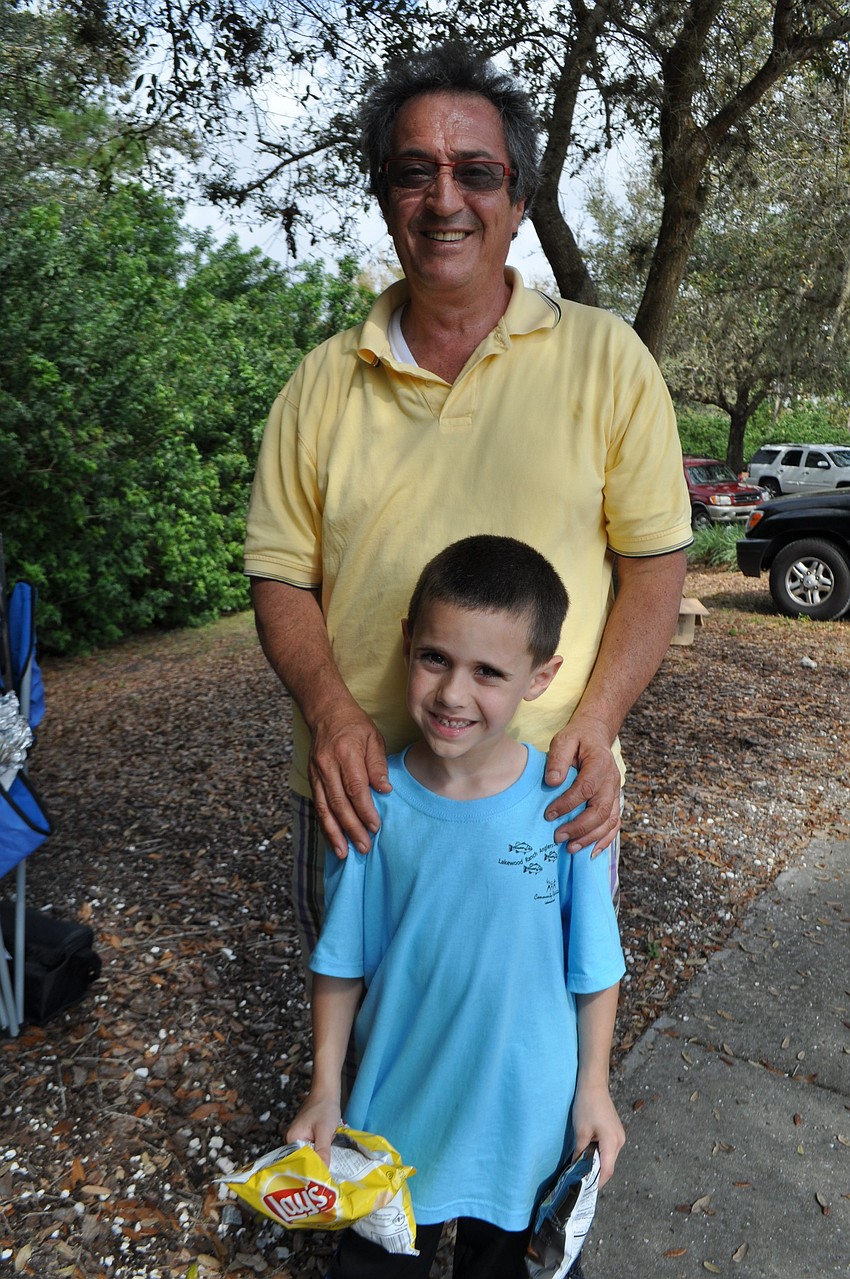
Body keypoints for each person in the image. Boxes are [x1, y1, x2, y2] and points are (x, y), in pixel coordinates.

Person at [244, 42, 692, 960]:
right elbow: (280, 575)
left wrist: (597, 724)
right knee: (367, 1048)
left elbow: (654, 566)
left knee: (541, 1056)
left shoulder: (609, 362)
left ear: (519, 199)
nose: (445, 200)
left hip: (548, 798)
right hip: (361, 798)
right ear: (384, 196)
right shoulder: (319, 383)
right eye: (415, 173)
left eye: (476, 173)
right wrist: (331, 715)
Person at [287, 535, 626, 1278]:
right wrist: (324, 1086)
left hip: (526, 1129)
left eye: (489, 672)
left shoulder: (569, 805)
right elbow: (341, 960)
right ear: (408, 644)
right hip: (395, 1122)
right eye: (435, 657)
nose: (452, 693)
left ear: (541, 677)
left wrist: (594, 1089)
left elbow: (595, 965)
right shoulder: (370, 801)